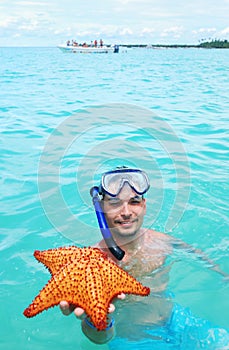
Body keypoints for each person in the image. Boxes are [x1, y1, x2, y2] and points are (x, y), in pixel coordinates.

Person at [60, 166, 229, 346]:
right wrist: (96, 323)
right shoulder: (92, 264)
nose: (126, 212)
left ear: (144, 206)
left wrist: (223, 275)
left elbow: (196, 254)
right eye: (115, 203)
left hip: (177, 320)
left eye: (134, 202)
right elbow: (100, 339)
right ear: (101, 208)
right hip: (136, 339)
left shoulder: (162, 241)